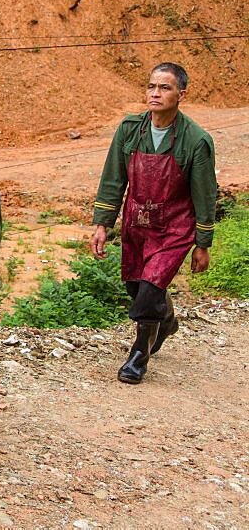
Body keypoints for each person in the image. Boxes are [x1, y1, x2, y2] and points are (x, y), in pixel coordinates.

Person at [90, 62, 217, 384]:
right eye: (151, 87)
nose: (155, 93)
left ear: (181, 95)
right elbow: (113, 179)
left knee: (149, 290)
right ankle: (167, 320)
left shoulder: (196, 140)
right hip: (137, 222)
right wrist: (103, 224)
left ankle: (138, 356)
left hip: (174, 227)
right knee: (136, 284)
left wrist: (202, 243)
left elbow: (204, 194)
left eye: (165, 88)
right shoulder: (130, 129)